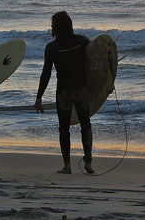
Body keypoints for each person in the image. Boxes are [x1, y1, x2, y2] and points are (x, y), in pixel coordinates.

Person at [35, 11, 95, 174]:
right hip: (81, 89)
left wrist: (39, 97)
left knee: (64, 129)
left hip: (64, 93)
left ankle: (67, 166)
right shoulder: (81, 41)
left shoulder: (52, 47)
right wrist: (105, 84)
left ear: (57, 27)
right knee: (85, 125)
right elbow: (96, 63)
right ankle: (88, 162)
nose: (51, 27)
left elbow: (46, 73)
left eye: (53, 25)